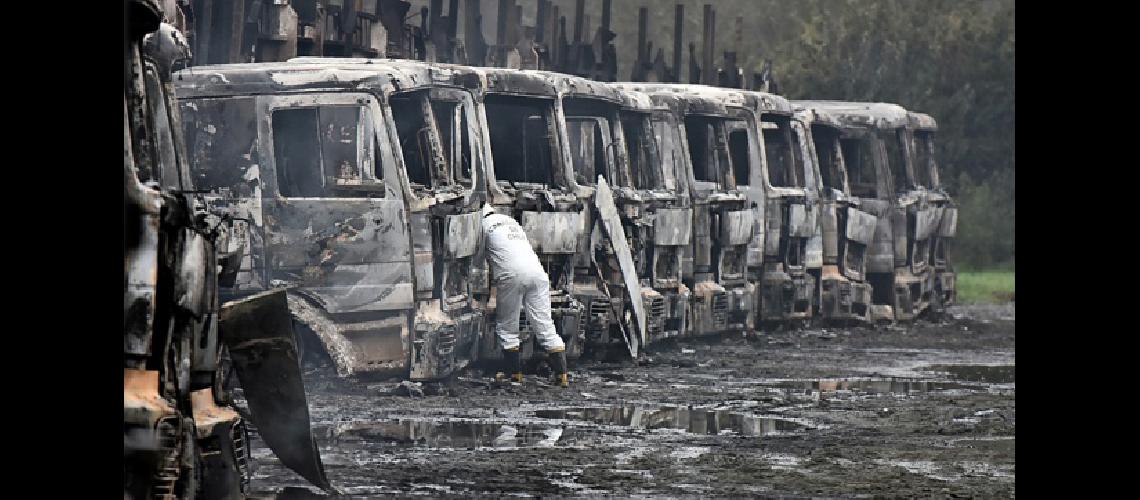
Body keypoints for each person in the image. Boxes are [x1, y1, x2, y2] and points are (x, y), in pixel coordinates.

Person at [480, 203, 569, 387]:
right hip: (537, 273)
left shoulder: (482, 226)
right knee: (545, 325)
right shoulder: (510, 221)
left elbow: (480, 261)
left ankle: (515, 375)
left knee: (507, 327)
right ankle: (562, 376)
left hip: (511, 276)